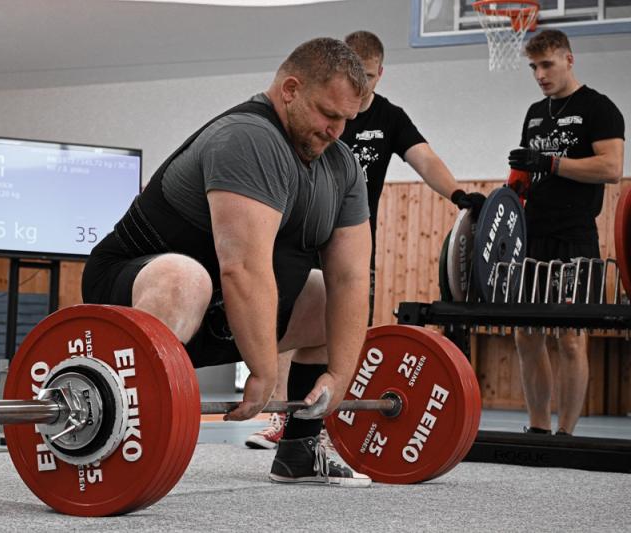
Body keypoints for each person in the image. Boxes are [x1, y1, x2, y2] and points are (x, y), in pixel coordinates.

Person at [83, 37, 372, 486]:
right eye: (327, 114)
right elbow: (243, 267)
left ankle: (300, 450)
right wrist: (264, 369)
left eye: (347, 120)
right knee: (185, 278)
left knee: (321, 296)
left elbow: (351, 278)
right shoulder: (249, 137)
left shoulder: (342, 168)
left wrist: (339, 374)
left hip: (218, 316)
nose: (336, 130)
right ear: (290, 89)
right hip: (134, 294)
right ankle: (116, 440)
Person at [245, 30, 486, 450]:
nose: (363, 82)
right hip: (298, 236)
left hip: (348, 242)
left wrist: (458, 195)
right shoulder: (316, 109)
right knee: (289, 324)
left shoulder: (390, 117)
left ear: (380, 73)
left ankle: (316, 425)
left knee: (342, 328)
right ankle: (281, 418)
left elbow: (424, 157)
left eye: (370, 75)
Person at [508, 29, 624, 436]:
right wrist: (504, 199)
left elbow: (611, 168)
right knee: (526, 336)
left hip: (575, 238)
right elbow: (524, 175)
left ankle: (566, 434)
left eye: (547, 65)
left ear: (569, 60)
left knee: (570, 338)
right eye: (533, 67)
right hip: (533, 237)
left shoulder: (599, 107)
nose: (540, 74)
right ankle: (539, 429)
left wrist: (552, 163)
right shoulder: (534, 113)